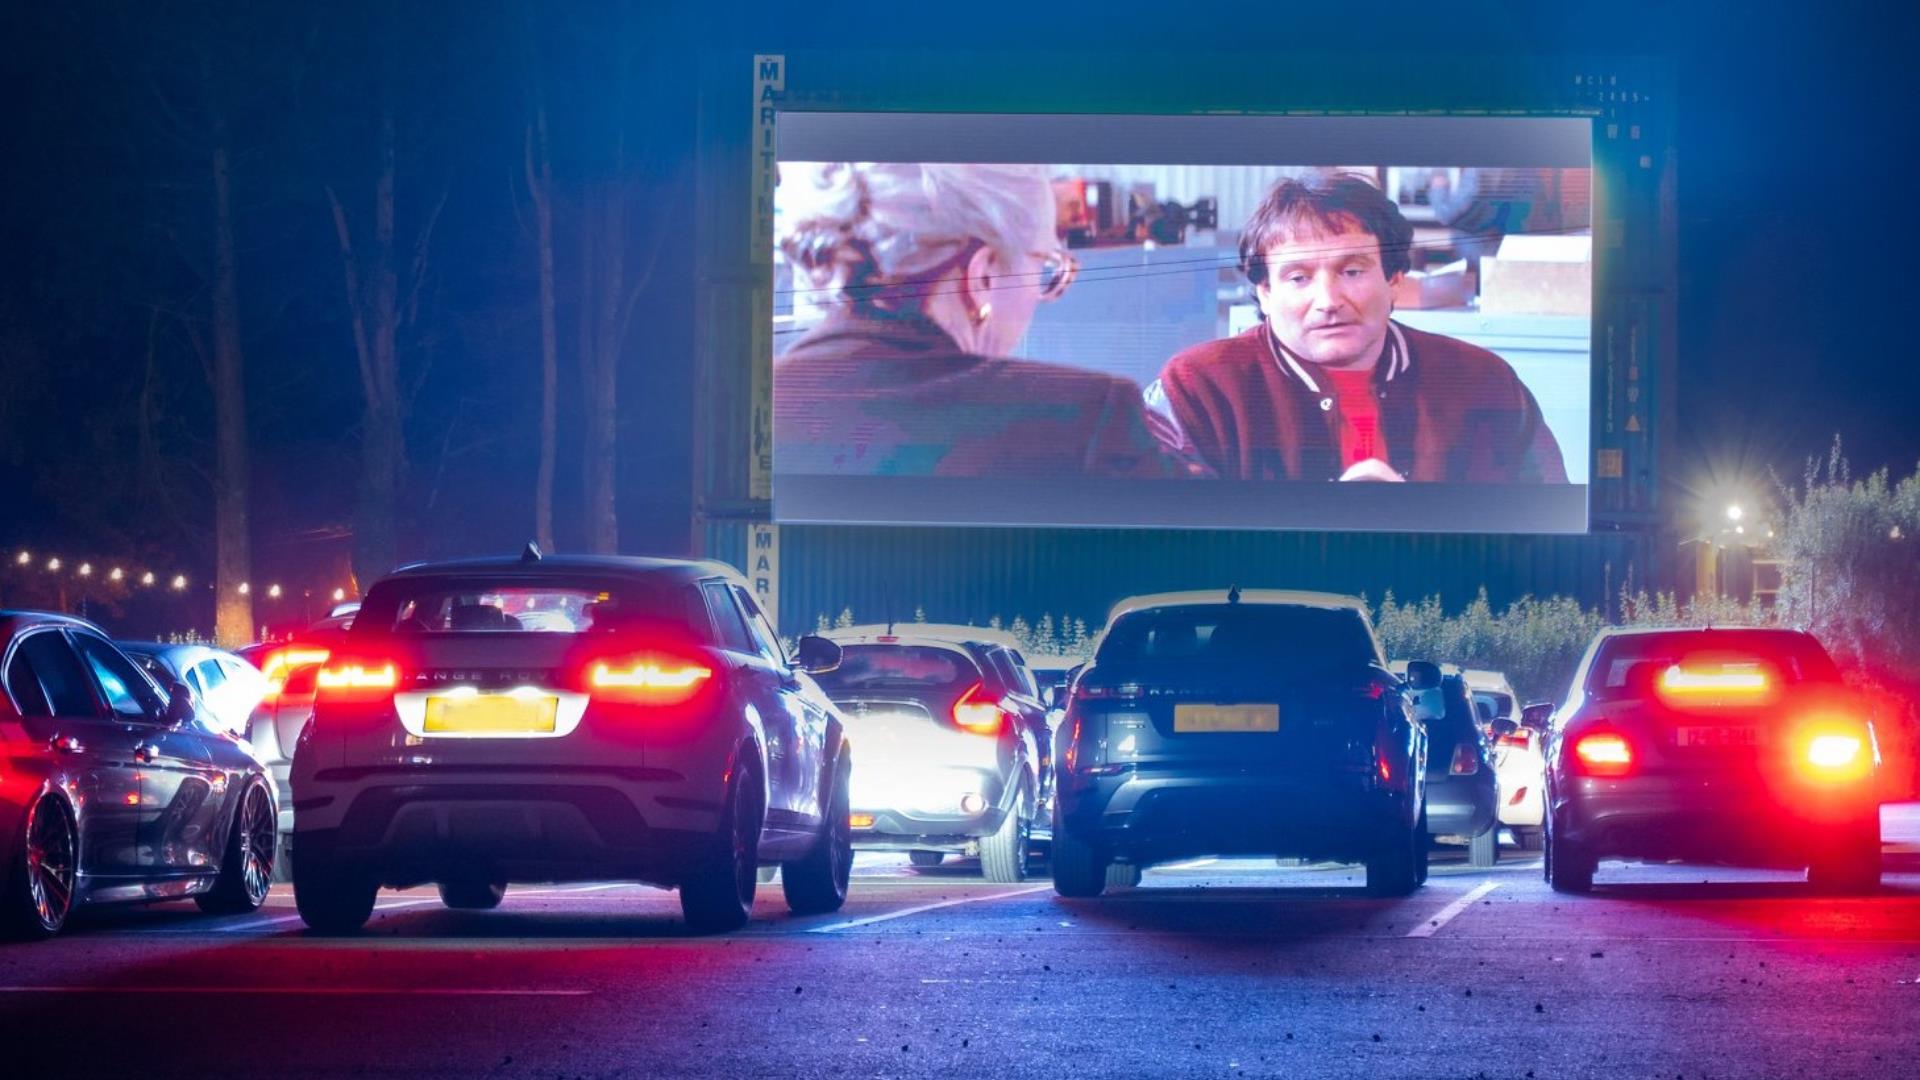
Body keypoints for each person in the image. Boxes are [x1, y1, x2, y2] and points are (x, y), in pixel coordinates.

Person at [1147, 171, 1568, 484]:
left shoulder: (1483, 382)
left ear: (1394, 280)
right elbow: (1174, 549)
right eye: (1298, 278)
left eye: (1352, 271)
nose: (1329, 302)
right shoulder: (1196, 388)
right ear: (1264, 292)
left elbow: (1545, 538)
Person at [775, 162, 1175, 480]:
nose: (1041, 294)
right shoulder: (1090, 421)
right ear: (982, 275)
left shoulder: (746, 410)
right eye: (1045, 264)